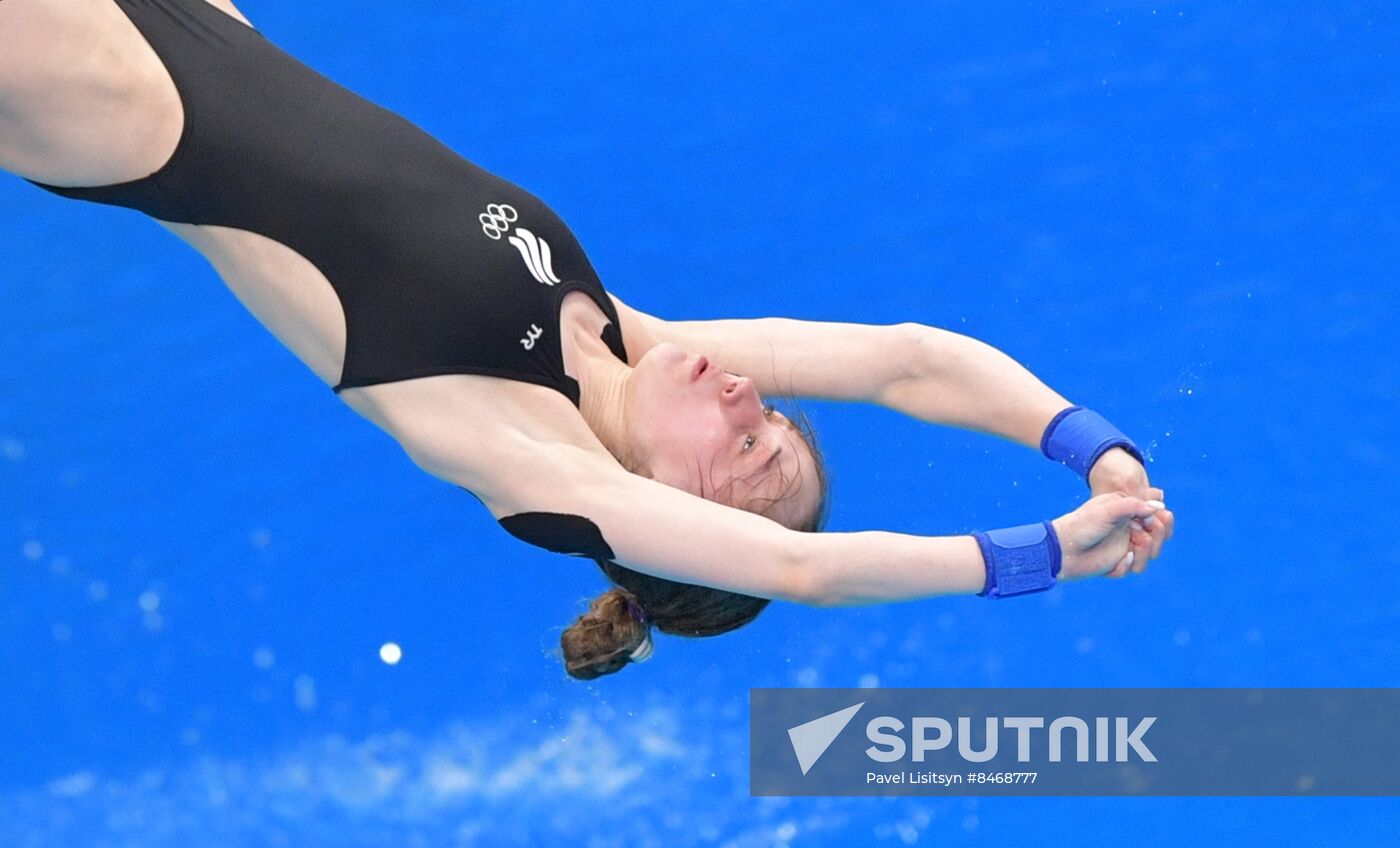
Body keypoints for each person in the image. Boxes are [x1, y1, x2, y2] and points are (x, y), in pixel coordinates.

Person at [0, 0, 1174, 680]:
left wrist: (1045, 553)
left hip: (110, 102)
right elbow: (907, 359)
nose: (747, 399)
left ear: (671, 512)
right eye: (776, 420)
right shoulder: (620, 335)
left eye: (746, 451)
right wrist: (1090, 449)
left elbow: (803, 569)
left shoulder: (527, 459)